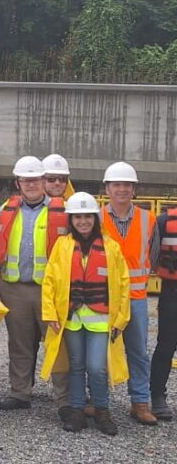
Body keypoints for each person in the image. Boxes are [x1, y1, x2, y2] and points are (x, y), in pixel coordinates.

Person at [40, 193, 130, 436]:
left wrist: (121, 319)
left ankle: (102, 410)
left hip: (101, 321)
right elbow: (49, 281)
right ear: (71, 220)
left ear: (95, 218)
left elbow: (122, 284)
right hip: (71, 319)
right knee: (76, 366)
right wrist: (50, 314)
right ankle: (77, 411)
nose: (82, 221)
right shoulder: (62, 246)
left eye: (87, 217)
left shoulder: (111, 247)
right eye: (78, 217)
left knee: (97, 367)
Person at [0, 156, 71, 415]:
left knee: (58, 343)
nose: (32, 184)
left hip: (51, 290)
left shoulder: (63, 211)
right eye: (27, 180)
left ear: (43, 181)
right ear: (18, 183)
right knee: (20, 343)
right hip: (14, 288)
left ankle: (65, 400)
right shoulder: (5, 211)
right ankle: (20, 392)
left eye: (36, 179)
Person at [99, 161, 157, 426]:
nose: (122, 189)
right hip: (103, 297)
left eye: (127, 185)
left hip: (136, 299)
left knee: (138, 352)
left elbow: (154, 256)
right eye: (116, 184)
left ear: (134, 189)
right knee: (99, 351)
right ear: (107, 188)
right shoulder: (95, 217)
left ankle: (140, 403)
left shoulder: (149, 219)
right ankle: (97, 401)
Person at [150, 204, 177, 420]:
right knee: (166, 346)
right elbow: (153, 257)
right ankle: (158, 395)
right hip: (172, 292)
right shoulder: (163, 221)